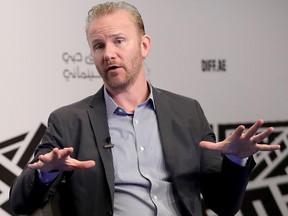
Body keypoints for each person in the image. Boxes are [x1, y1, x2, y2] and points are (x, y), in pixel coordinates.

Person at [9, 1, 280, 216]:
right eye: (98, 46)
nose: (109, 54)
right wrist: (45, 173)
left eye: (119, 40)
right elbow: (20, 202)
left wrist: (236, 161)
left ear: (144, 45)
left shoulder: (187, 112)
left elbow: (224, 205)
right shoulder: (69, 121)